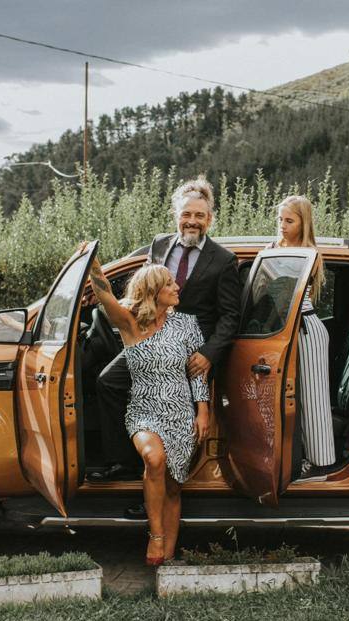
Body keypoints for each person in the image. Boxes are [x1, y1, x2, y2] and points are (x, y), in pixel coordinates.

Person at [96, 176, 242, 480]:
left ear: (209, 219)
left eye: (199, 215)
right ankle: (125, 463)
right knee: (108, 382)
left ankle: (166, 479)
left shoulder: (224, 260)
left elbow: (230, 316)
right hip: (151, 338)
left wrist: (208, 354)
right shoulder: (159, 245)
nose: (192, 221)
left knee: (171, 409)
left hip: (191, 349)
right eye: (186, 214)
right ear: (176, 216)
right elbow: (144, 290)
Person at [85, 251, 210, 565]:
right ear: (155, 291)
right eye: (170, 284)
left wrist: (203, 410)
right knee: (154, 459)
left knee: (173, 486)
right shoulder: (131, 324)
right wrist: (92, 263)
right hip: (143, 411)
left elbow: (198, 371)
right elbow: (105, 295)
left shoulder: (186, 324)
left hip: (182, 415)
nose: (177, 287)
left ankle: (166, 560)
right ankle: (155, 536)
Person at [274, 195, 337, 476]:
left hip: (307, 329)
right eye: (280, 219)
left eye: (289, 220)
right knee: (288, 398)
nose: (283, 225)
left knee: (312, 398)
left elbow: (285, 292)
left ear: (303, 222)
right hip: (284, 331)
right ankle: (295, 456)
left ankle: (321, 461)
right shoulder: (273, 247)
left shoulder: (309, 253)